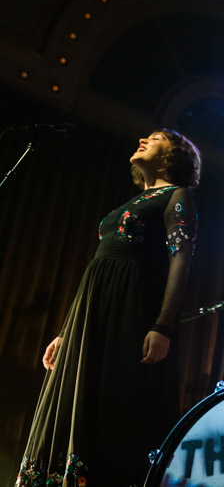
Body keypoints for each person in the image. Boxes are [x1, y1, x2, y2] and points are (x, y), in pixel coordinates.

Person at [17, 129, 200, 487]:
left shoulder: (177, 196)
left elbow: (181, 262)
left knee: (112, 400)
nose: (143, 140)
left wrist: (163, 325)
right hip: (93, 313)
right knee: (76, 398)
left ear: (174, 154)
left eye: (156, 138)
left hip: (128, 312)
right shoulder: (129, 203)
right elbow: (95, 272)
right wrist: (66, 332)